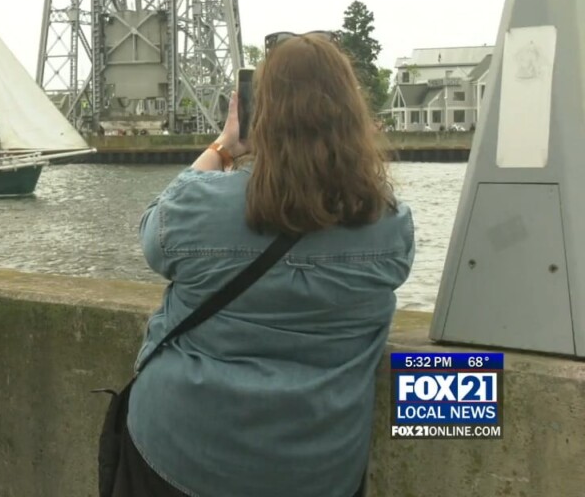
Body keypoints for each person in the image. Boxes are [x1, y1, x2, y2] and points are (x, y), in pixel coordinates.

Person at [116, 32, 416, 497]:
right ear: (352, 115)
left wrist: (222, 148)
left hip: (180, 447)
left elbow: (151, 236)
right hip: (317, 469)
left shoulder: (198, 207)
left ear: (262, 115)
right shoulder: (389, 224)